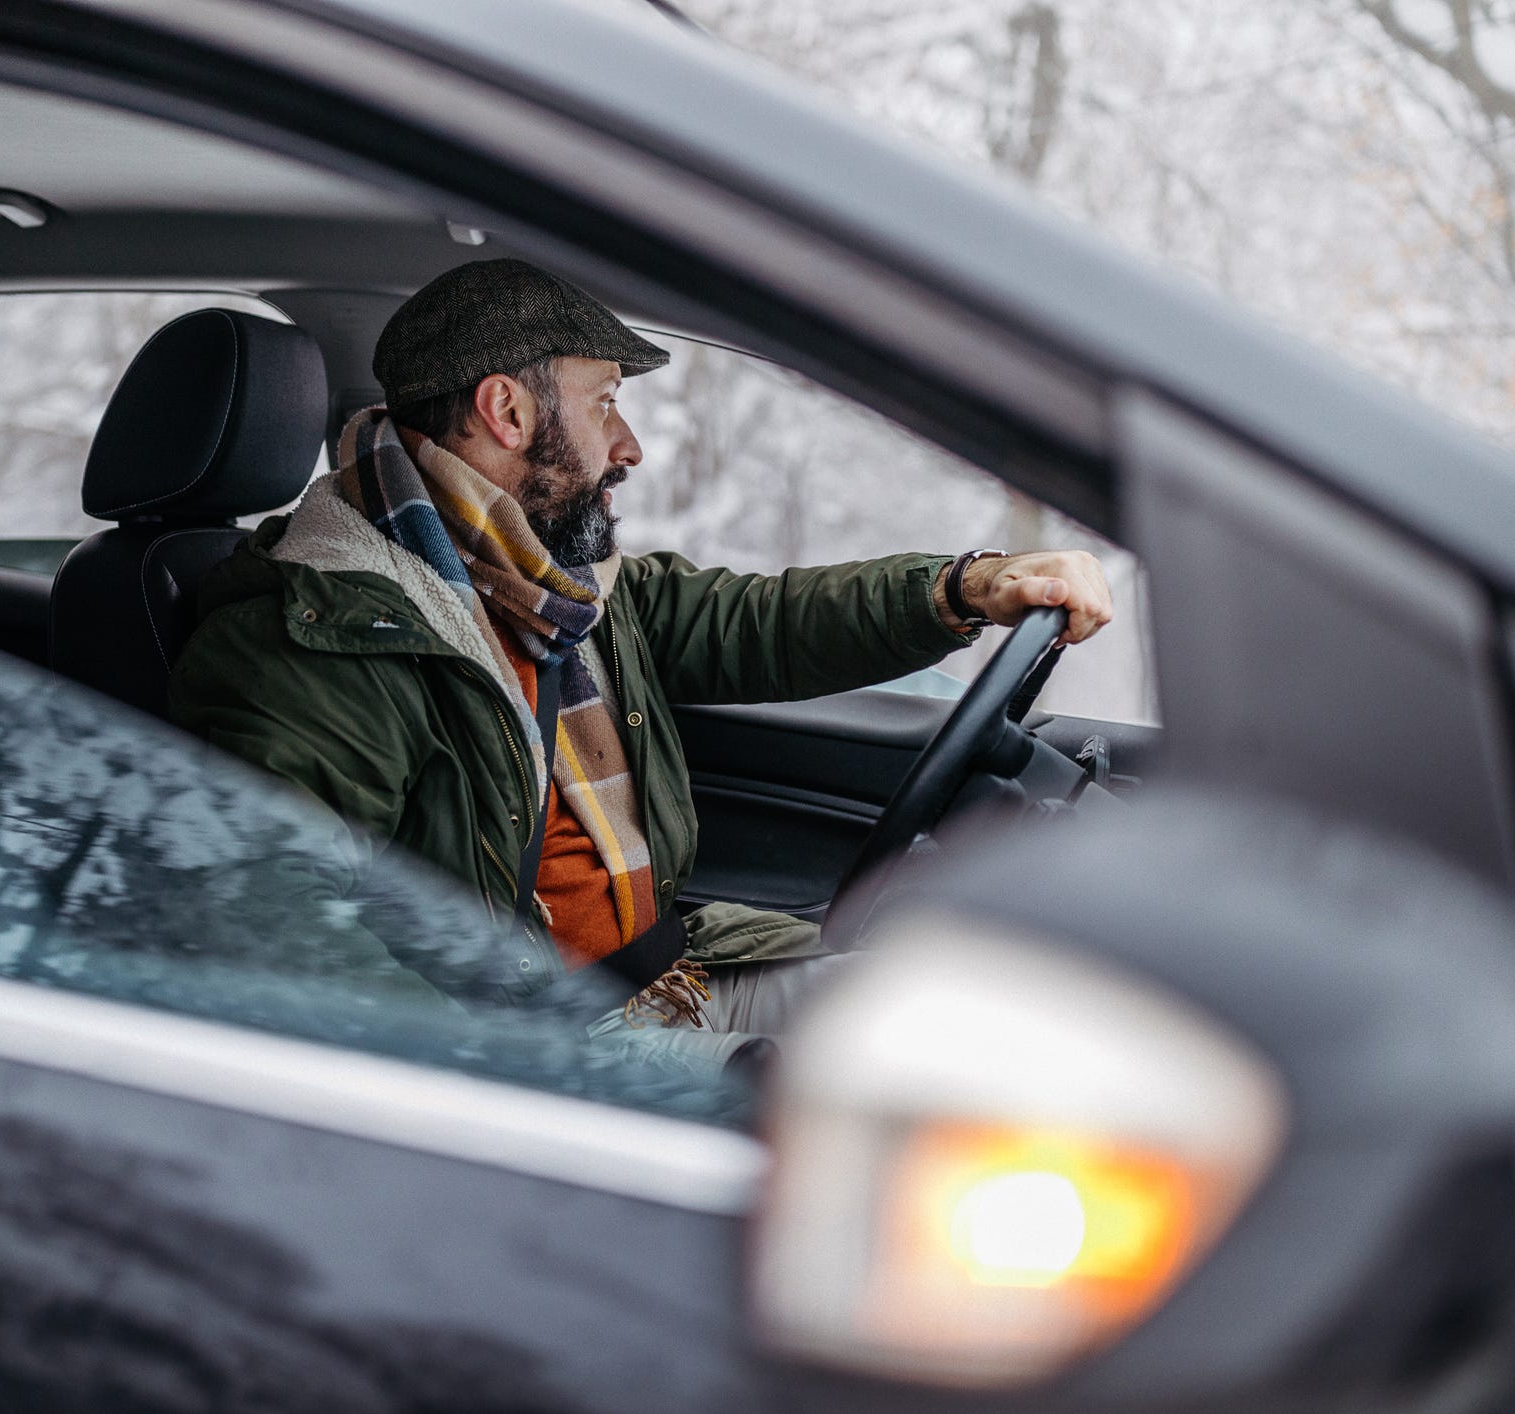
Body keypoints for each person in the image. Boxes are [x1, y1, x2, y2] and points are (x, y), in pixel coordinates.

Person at [170, 258, 1112, 1067]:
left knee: (1010, 1024)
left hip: (677, 975)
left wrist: (965, 588)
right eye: (605, 404)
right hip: (546, 1044)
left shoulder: (547, 582)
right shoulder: (320, 627)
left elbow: (753, 624)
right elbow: (266, 916)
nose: (630, 447)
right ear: (504, 410)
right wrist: (516, 1074)